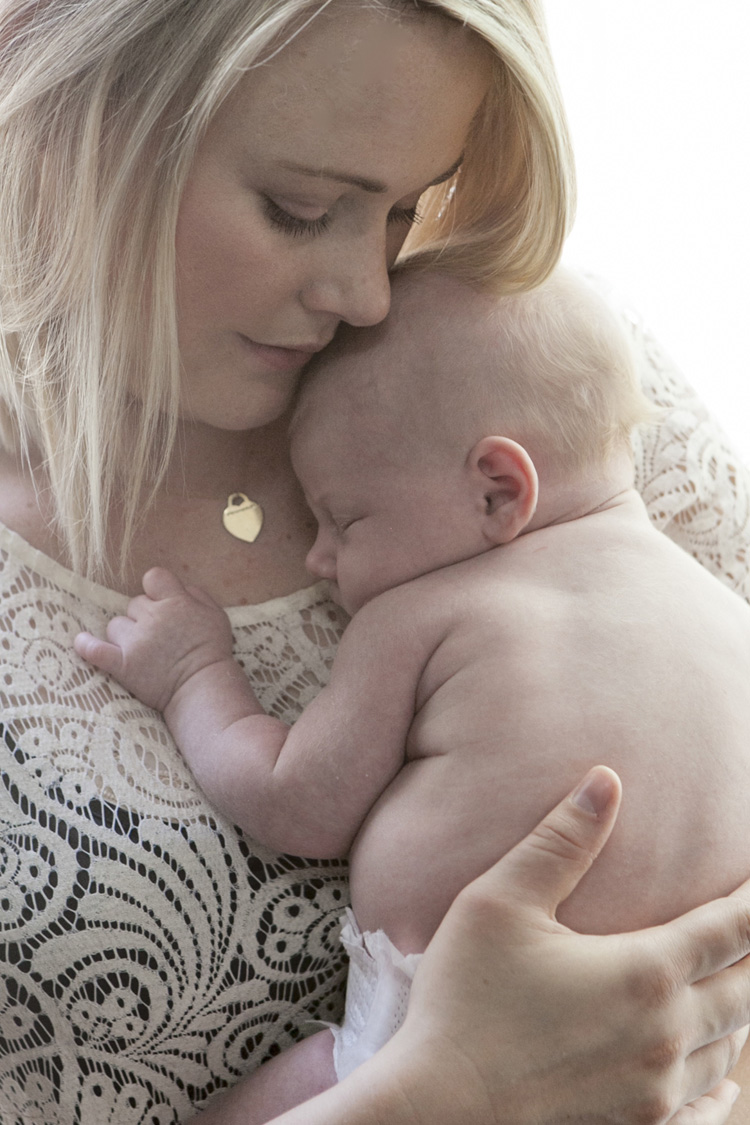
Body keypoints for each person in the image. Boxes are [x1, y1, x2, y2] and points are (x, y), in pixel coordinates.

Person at [1, 0, 749, 1121]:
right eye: (301, 209)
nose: (367, 293)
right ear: (62, 110)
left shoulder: (521, 368)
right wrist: (449, 1092)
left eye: (403, 210)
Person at [74, 263, 750, 1111]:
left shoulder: (427, 613)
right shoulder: (725, 615)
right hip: (688, 1065)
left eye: (344, 518)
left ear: (497, 490)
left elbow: (295, 799)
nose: (321, 558)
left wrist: (192, 676)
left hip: (437, 1034)